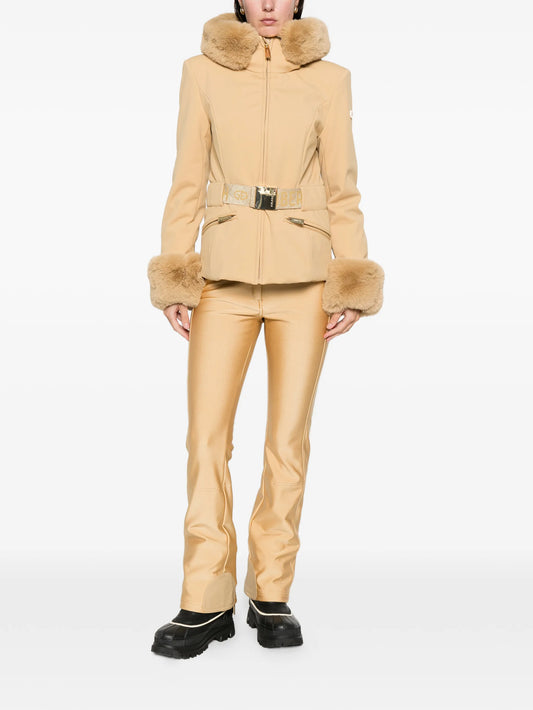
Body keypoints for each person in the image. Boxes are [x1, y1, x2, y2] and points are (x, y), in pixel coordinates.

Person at [147, 0, 385, 659]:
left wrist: (351, 277)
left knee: (287, 441)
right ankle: (204, 598)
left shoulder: (330, 79)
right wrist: (176, 272)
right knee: (206, 439)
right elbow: (186, 177)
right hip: (220, 277)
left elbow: (343, 186)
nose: (270, 5)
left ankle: (270, 593)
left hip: (304, 280)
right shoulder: (201, 72)